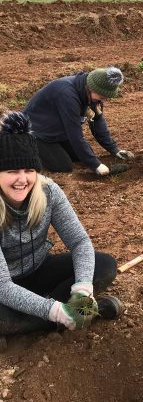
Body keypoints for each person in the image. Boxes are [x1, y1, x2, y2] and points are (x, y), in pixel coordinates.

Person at [0, 111, 122, 339]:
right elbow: (3, 286)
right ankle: (73, 315)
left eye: (29, 170)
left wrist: (83, 289)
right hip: (4, 286)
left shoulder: (48, 192)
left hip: (38, 269)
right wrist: (55, 310)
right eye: (12, 171)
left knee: (104, 265)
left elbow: (79, 241)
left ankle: (43, 319)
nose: (22, 179)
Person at [23, 67, 134, 176]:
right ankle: (25, 153)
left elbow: (97, 120)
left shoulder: (89, 94)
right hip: (35, 133)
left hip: (56, 132)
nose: (102, 101)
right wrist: (95, 165)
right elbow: (74, 134)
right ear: (90, 88)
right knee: (62, 165)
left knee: (81, 155)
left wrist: (114, 149)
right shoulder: (67, 95)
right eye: (101, 97)